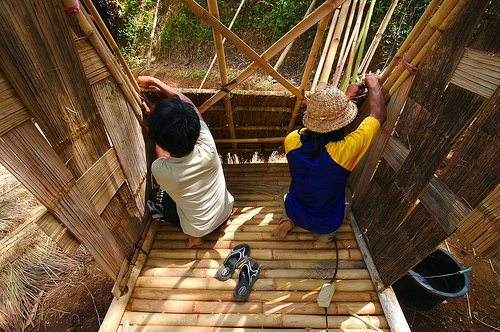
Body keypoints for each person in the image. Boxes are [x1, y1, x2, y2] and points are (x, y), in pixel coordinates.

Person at [271, 74, 386, 243]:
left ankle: (287, 220)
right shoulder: (344, 152)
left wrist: (348, 95)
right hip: (326, 223)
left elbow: (323, 123)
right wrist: (374, 83)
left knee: (287, 192)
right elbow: (378, 116)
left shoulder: (292, 140)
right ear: (340, 124)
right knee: (346, 194)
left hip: (296, 210)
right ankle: (324, 236)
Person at [137, 76, 234, 248]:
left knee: (155, 198)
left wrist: (155, 122)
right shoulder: (208, 146)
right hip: (225, 212)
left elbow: (162, 151)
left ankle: (194, 238)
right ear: (195, 128)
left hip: (198, 228)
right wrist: (154, 81)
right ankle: (223, 222)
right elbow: (190, 106)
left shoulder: (160, 170)